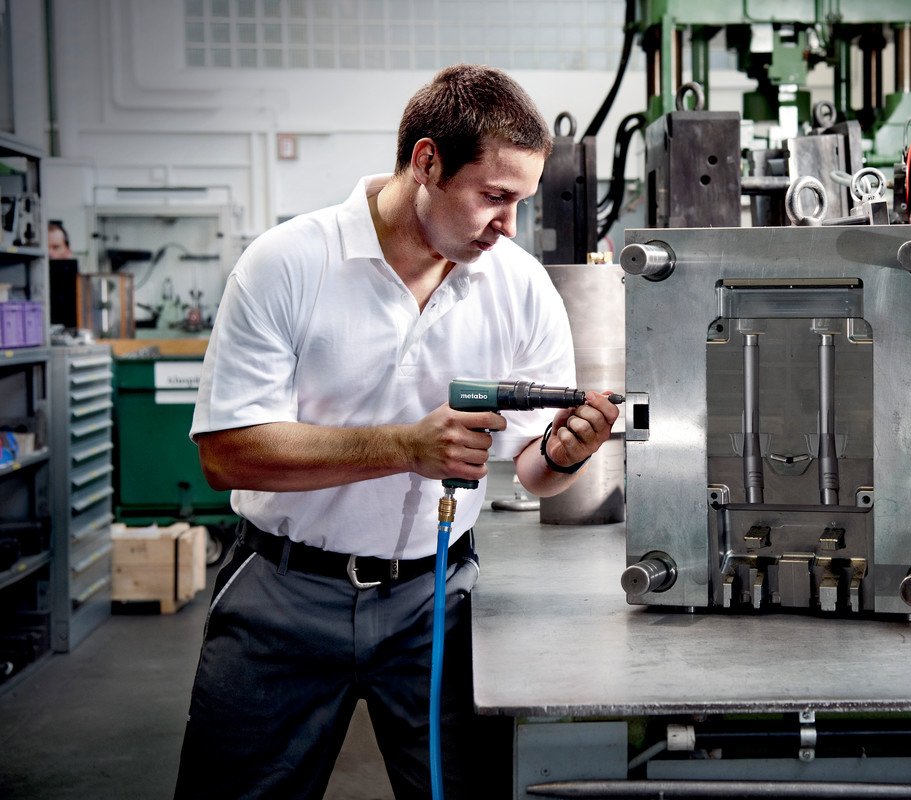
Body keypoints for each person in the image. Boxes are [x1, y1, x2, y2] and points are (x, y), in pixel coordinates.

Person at [175, 64, 620, 800]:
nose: (510, 226)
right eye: (494, 197)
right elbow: (228, 454)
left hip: (434, 603)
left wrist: (564, 454)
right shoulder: (288, 264)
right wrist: (406, 448)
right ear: (427, 163)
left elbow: (533, 472)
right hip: (283, 598)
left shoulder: (520, 285)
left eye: (521, 201)